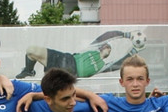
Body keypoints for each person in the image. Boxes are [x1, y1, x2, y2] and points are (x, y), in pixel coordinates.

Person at [16, 30, 144, 79]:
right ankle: (28, 71)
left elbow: (120, 64)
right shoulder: (92, 49)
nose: (107, 47)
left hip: (66, 76)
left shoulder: (103, 66)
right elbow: (107, 36)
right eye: (106, 45)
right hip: (64, 59)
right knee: (31, 50)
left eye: (109, 49)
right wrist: (126, 35)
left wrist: (133, 52)